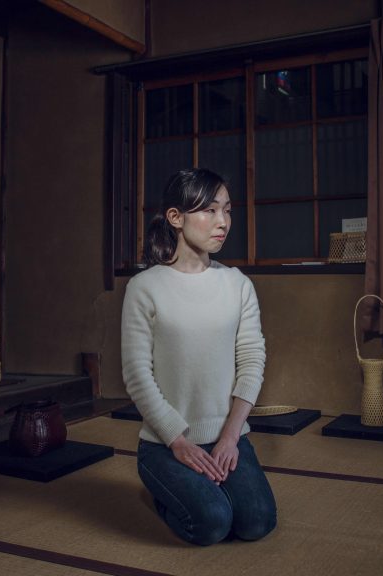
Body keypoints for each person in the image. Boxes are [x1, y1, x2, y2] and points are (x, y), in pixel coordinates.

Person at [121, 167, 277, 546]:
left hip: (228, 438)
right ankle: (165, 493)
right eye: (209, 211)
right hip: (165, 444)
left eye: (227, 210)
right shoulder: (144, 288)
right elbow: (137, 375)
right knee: (211, 524)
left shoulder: (238, 284)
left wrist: (229, 438)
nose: (222, 222)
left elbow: (252, 361)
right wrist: (178, 441)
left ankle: (207, 489)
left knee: (256, 523)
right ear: (176, 218)